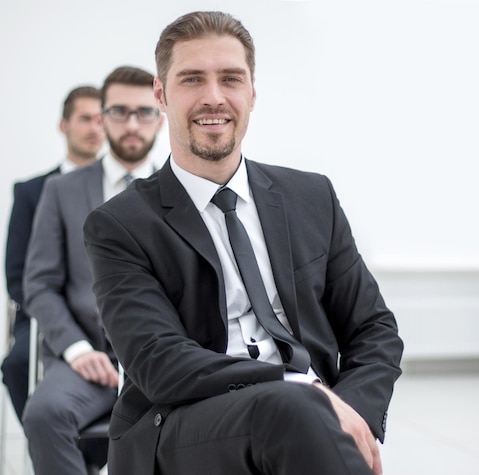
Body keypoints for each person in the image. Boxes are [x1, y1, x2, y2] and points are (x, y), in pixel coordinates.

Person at [84, 11, 403, 475]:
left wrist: (352, 411)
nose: (214, 97)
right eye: (192, 79)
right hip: (179, 423)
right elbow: (160, 363)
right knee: (290, 410)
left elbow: (374, 329)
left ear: (252, 92)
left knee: (300, 417)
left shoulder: (312, 196)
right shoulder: (119, 224)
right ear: (161, 95)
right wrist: (299, 386)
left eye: (230, 79)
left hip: (309, 415)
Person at [22, 65, 164, 475]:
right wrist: (77, 350)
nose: (132, 124)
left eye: (144, 112)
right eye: (119, 111)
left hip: (162, 361)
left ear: (161, 115)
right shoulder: (61, 190)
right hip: (87, 360)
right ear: (102, 117)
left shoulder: (181, 189)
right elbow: (39, 285)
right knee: (44, 414)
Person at [1, 85, 105, 423]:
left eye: (101, 119)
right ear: (64, 125)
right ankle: (52, 451)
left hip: (109, 312)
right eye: (85, 119)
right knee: (18, 364)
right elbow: (17, 276)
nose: (95, 128)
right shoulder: (32, 191)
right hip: (45, 315)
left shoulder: (128, 188)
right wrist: (56, 315)